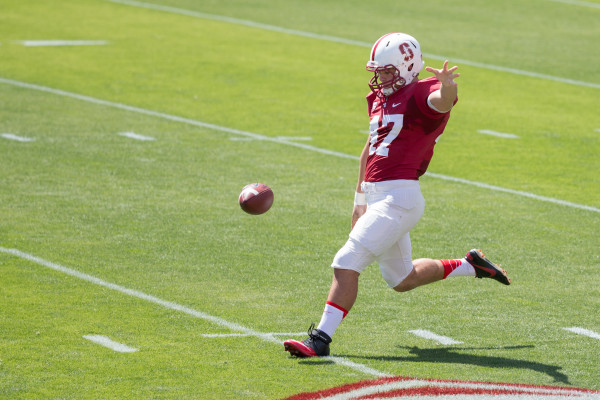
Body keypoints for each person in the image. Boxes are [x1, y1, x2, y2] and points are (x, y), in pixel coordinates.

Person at [283, 32, 510, 358]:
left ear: (406, 67)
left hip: (399, 197)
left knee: (347, 261)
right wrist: (359, 200)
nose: (380, 77)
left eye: (387, 71)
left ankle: (319, 340)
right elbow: (369, 151)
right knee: (402, 279)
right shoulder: (379, 98)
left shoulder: (421, 93)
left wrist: (448, 85)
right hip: (378, 196)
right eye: (379, 71)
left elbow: (442, 102)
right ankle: (471, 265)